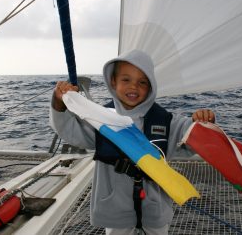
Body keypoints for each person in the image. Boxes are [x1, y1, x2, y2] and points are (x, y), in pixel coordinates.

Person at [50, 50, 215, 235]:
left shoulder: (166, 120)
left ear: (151, 87)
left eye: (142, 82)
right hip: (115, 209)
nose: (134, 87)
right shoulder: (99, 118)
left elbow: (189, 141)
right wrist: (59, 103)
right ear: (113, 81)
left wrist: (202, 124)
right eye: (126, 80)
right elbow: (70, 131)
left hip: (155, 210)